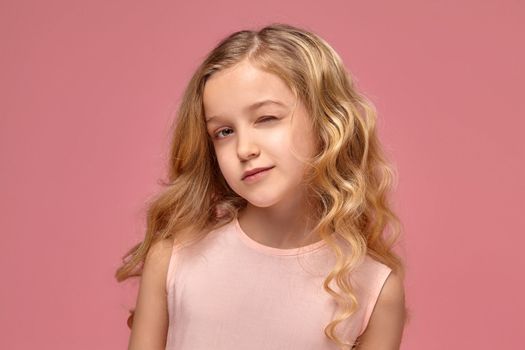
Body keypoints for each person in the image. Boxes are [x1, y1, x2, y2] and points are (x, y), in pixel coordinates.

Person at [115, 23, 408, 350]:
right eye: (224, 132)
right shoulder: (174, 261)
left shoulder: (374, 288)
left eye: (266, 118)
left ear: (326, 121)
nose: (244, 149)